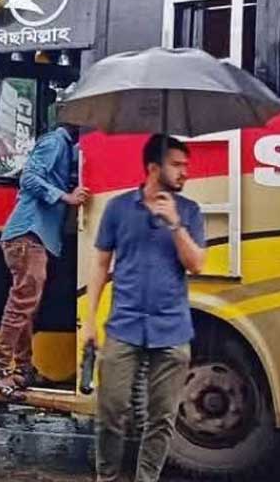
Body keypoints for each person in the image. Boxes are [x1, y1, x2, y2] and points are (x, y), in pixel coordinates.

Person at [84, 135, 207, 482]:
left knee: (162, 419)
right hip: (124, 326)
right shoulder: (118, 208)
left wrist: (175, 224)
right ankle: (106, 478)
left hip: (172, 330)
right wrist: (89, 321)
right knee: (111, 412)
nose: (185, 172)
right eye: (177, 165)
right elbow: (100, 265)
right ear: (154, 168)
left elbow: (197, 264)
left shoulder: (189, 212)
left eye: (186, 165)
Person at [0, 123, 88, 399]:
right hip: (28, 235)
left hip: (31, 238)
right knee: (22, 303)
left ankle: (23, 368)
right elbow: (28, 178)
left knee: (26, 306)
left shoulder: (67, 148)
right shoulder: (55, 142)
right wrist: (65, 197)